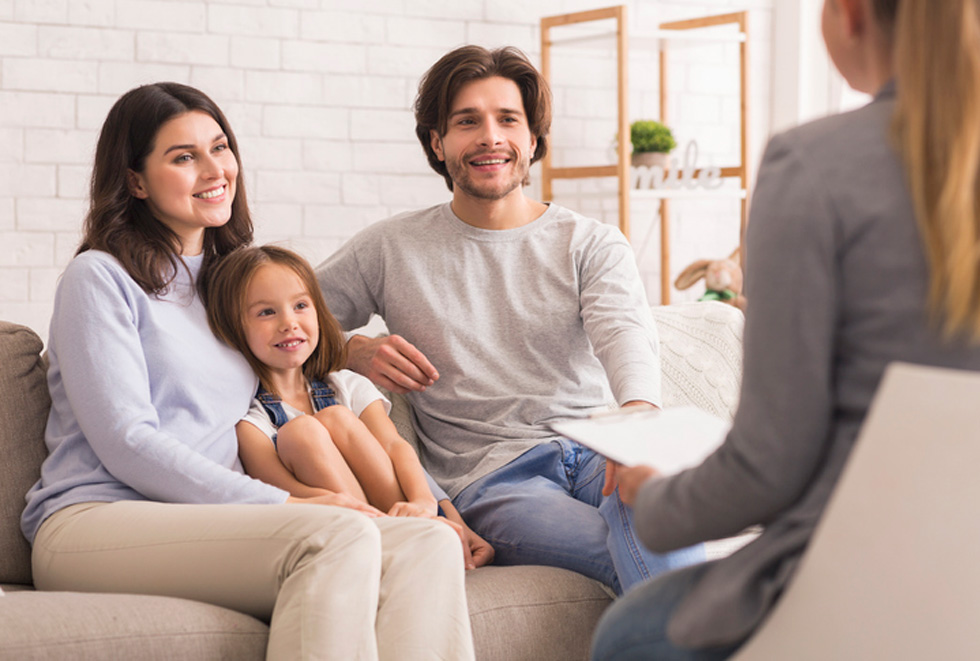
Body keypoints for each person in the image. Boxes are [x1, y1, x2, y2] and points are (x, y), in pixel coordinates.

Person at [20, 82, 475, 661]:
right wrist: (284, 505)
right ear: (135, 181)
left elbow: (303, 355)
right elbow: (127, 441)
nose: (215, 170)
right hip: (97, 521)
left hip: (211, 520)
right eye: (184, 157)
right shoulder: (100, 278)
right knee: (333, 537)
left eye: (220, 147)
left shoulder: (229, 283)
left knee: (427, 543)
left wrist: (439, 504)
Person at [591, 0, 980, 658]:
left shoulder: (813, 165)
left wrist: (652, 497)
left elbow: (767, 469)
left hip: (860, 579)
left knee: (626, 637)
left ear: (849, 14)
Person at [315, 45, 703, 595]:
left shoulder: (590, 242)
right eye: (467, 121)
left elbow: (624, 331)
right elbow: (279, 318)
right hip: (496, 480)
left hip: (597, 448)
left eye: (508, 120)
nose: (490, 137)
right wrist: (350, 350)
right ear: (437, 142)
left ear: (534, 139)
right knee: (643, 553)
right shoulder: (388, 248)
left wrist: (638, 418)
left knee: (661, 512)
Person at [205, 244, 492, 567]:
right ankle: (392, 542)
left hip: (405, 512)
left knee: (335, 417)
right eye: (266, 312)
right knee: (301, 431)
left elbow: (395, 447)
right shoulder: (251, 425)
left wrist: (427, 502)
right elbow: (286, 496)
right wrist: (350, 508)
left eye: (300, 305)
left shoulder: (347, 385)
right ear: (233, 327)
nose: (289, 322)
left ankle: (416, 533)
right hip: (344, 529)